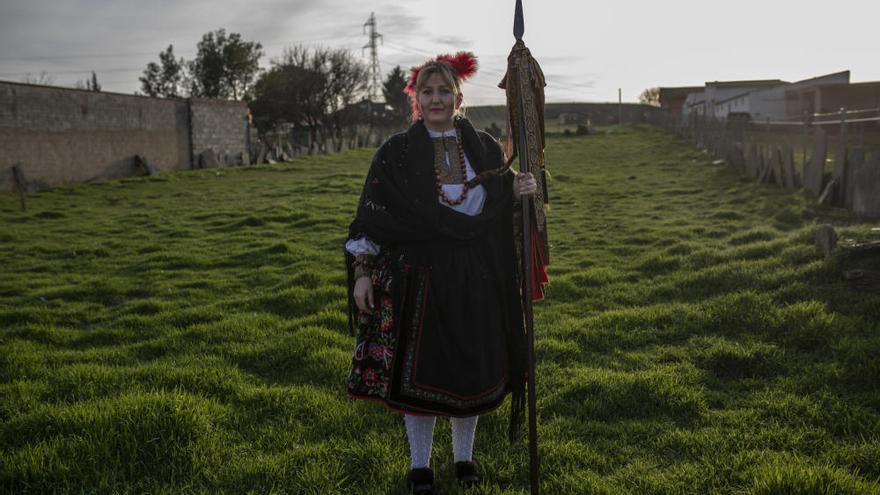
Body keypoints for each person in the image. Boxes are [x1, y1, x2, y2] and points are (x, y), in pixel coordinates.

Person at [343, 51, 537, 494]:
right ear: (415, 98)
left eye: (444, 91)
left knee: (470, 372)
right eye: (427, 91)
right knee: (422, 375)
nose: (436, 99)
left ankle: (464, 459)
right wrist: (362, 273)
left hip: (477, 277)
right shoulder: (393, 154)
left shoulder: (486, 148)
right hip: (418, 279)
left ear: (458, 96)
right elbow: (371, 219)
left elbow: (500, 209)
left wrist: (522, 190)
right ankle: (420, 467)